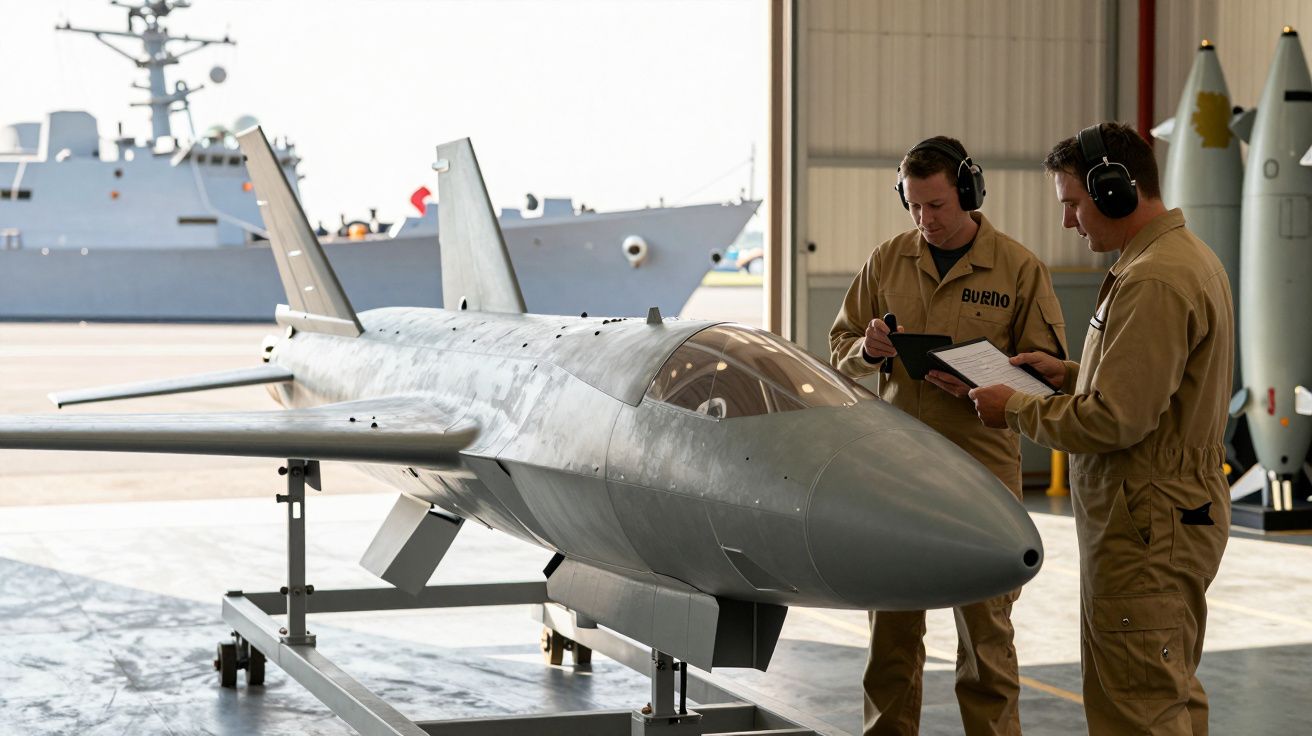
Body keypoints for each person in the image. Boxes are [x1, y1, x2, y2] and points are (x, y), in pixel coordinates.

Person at [969, 122, 1233, 734]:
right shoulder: (1177, 259)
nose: (1068, 222)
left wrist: (1012, 407)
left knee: (1136, 709)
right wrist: (1065, 373)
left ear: (1115, 191)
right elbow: (1149, 389)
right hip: (1160, 516)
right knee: (1166, 695)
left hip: (1145, 523)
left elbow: (1117, 419)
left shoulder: (1154, 280)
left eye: (1072, 204)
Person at [830, 136, 1067, 736]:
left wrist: (995, 384)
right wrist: (868, 348)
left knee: (986, 643)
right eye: (912, 206)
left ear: (967, 191)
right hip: (898, 474)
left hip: (982, 473)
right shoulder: (887, 261)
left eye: (936, 205)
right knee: (891, 641)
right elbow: (838, 349)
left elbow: (1050, 377)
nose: (924, 220)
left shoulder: (1018, 269)